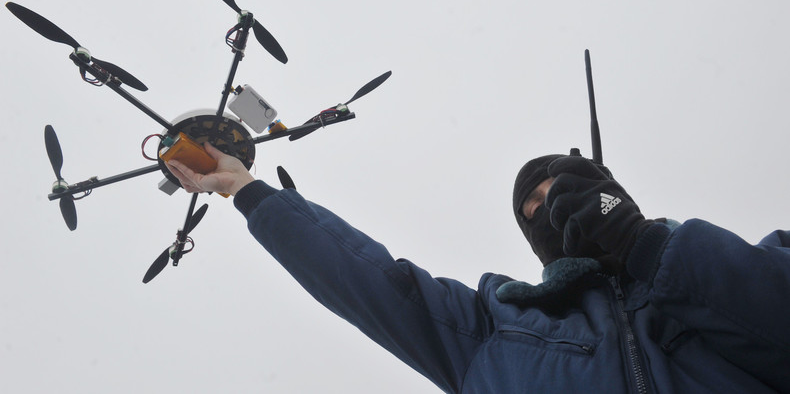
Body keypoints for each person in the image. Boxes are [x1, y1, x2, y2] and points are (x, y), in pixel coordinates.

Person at [167, 143, 790, 393]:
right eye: (533, 209)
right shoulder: (493, 330)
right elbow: (368, 278)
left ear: (610, 195)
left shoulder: (726, 265)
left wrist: (646, 245)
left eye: (565, 193)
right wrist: (249, 190)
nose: (550, 210)